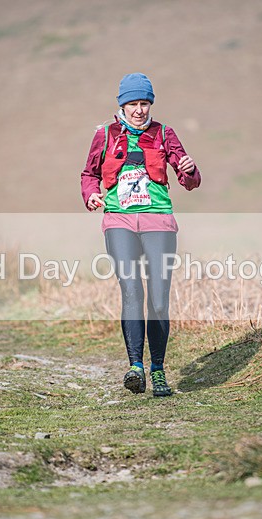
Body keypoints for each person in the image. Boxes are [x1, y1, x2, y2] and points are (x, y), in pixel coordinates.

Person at [80, 72, 201, 397]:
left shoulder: (164, 134)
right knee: (132, 290)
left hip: (158, 221)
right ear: (122, 105)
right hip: (119, 220)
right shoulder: (106, 135)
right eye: (133, 103)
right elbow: (89, 173)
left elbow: (187, 176)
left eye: (144, 103)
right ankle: (136, 368)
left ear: (151, 104)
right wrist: (91, 194)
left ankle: (158, 370)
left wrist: (190, 172)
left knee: (159, 301)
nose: (139, 110)